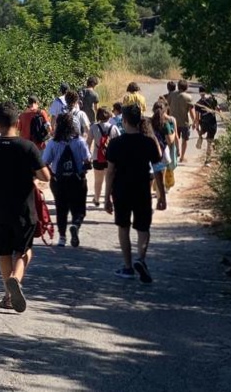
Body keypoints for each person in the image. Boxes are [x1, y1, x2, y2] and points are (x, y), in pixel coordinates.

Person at [0, 101, 51, 312]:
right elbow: (45, 175)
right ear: (18, 122)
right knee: (24, 250)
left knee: (3, 252)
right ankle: (16, 280)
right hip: (24, 209)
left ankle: (8, 296)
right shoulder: (27, 146)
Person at [105, 104, 167, 283]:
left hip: (121, 190)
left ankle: (127, 266)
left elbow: (110, 172)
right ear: (140, 120)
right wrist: (161, 196)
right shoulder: (148, 142)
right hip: (142, 190)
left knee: (123, 227)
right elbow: (158, 170)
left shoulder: (116, 143)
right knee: (143, 227)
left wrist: (107, 197)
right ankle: (141, 258)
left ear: (123, 120)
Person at [41, 113, 91, 247]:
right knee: (79, 208)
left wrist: (52, 174)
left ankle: (62, 237)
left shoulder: (52, 143)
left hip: (59, 181)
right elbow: (87, 159)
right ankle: (75, 224)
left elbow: (44, 161)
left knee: (61, 208)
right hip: (77, 180)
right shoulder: (79, 141)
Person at [89, 107, 120, 207]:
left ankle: (97, 198)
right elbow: (119, 142)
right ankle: (108, 199)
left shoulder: (94, 127)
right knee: (109, 179)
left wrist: (88, 156)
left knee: (98, 180)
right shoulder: (114, 128)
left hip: (97, 157)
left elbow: (88, 142)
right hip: (111, 157)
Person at [166, 79, 197, 164]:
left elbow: (167, 108)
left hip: (172, 121)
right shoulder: (188, 97)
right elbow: (191, 112)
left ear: (178, 86)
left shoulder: (171, 95)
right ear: (186, 87)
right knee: (184, 140)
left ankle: (175, 154)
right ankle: (182, 157)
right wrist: (194, 121)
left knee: (174, 138)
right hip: (184, 122)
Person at [195, 86, 220, 164]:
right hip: (212, 123)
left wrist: (197, 128)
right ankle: (207, 160)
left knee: (204, 135)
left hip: (203, 124)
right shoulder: (212, 100)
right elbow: (218, 109)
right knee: (209, 142)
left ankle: (200, 137)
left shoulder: (198, 103)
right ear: (206, 91)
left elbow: (197, 117)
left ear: (199, 93)